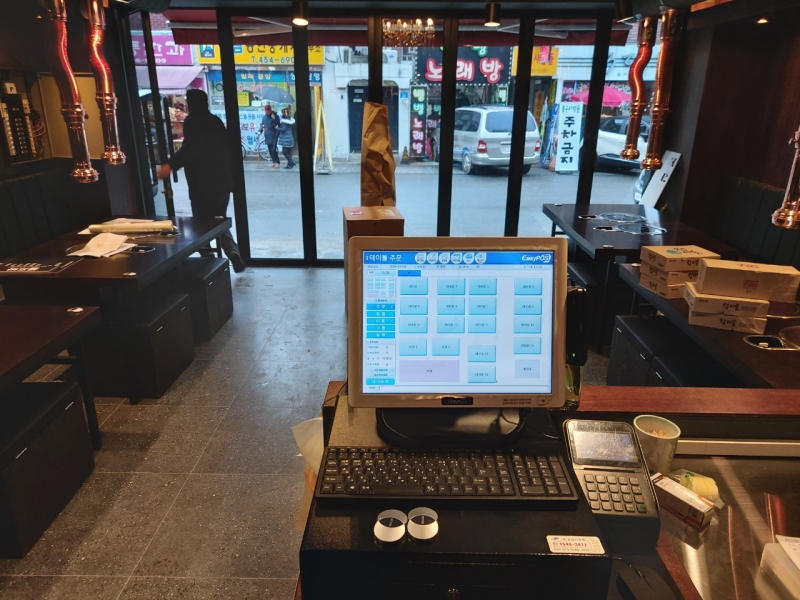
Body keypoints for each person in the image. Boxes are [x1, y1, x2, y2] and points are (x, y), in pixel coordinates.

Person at [156, 89, 245, 273]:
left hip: (202, 183)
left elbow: (190, 149)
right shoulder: (215, 121)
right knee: (218, 220)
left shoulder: (193, 121)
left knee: (201, 224)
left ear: (190, 104)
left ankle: (209, 263)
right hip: (222, 182)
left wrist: (170, 165)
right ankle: (232, 250)